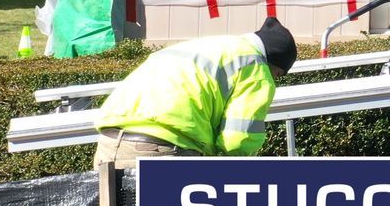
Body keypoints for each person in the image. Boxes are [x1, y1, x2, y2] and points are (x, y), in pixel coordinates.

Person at [92, 18, 297, 168]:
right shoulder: (256, 67)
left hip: (108, 145)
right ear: (274, 61)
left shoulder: (210, 46)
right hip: (162, 151)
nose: (274, 81)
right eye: (278, 74)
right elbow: (238, 140)